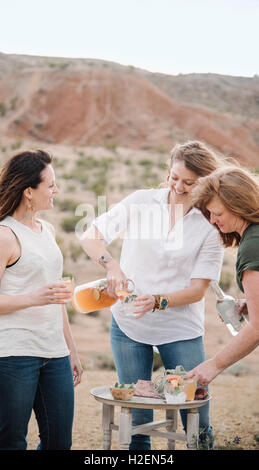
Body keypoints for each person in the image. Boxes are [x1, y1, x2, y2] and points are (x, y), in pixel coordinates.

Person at [79, 140, 225, 450]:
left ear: (206, 183)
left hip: (180, 330)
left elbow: (198, 290)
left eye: (189, 182)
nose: (178, 186)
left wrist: (158, 300)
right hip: (129, 326)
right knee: (138, 423)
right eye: (174, 177)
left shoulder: (211, 224)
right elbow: (90, 235)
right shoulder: (142, 201)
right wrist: (112, 265)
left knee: (196, 418)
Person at [0, 149, 83, 450]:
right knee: (11, 441)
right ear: (28, 192)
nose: (56, 191)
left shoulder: (46, 230)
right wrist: (35, 297)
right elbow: (40, 296)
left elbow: (56, 298)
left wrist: (71, 350)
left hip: (54, 352)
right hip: (14, 353)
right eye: (50, 185)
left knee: (59, 441)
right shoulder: (5, 235)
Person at [185, 166, 259, 385]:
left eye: (217, 214)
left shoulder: (252, 246)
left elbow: (256, 327)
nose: (212, 221)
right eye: (209, 214)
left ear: (239, 206)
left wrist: (214, 365)